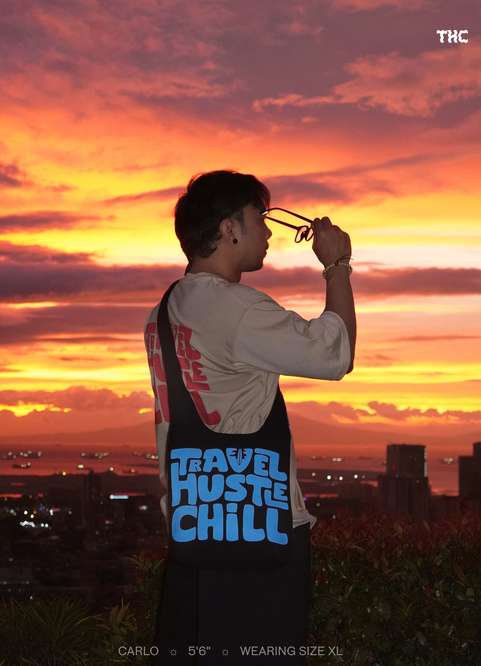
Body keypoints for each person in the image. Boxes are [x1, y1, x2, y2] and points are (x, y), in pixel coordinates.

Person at [144, 170, 356, 665]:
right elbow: (335, 354)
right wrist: (337, 265)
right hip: (257, 532)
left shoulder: (165, 309)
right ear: (229, 229)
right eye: (261, 218)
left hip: (195, 525)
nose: (269, 232)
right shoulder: (236, 308)